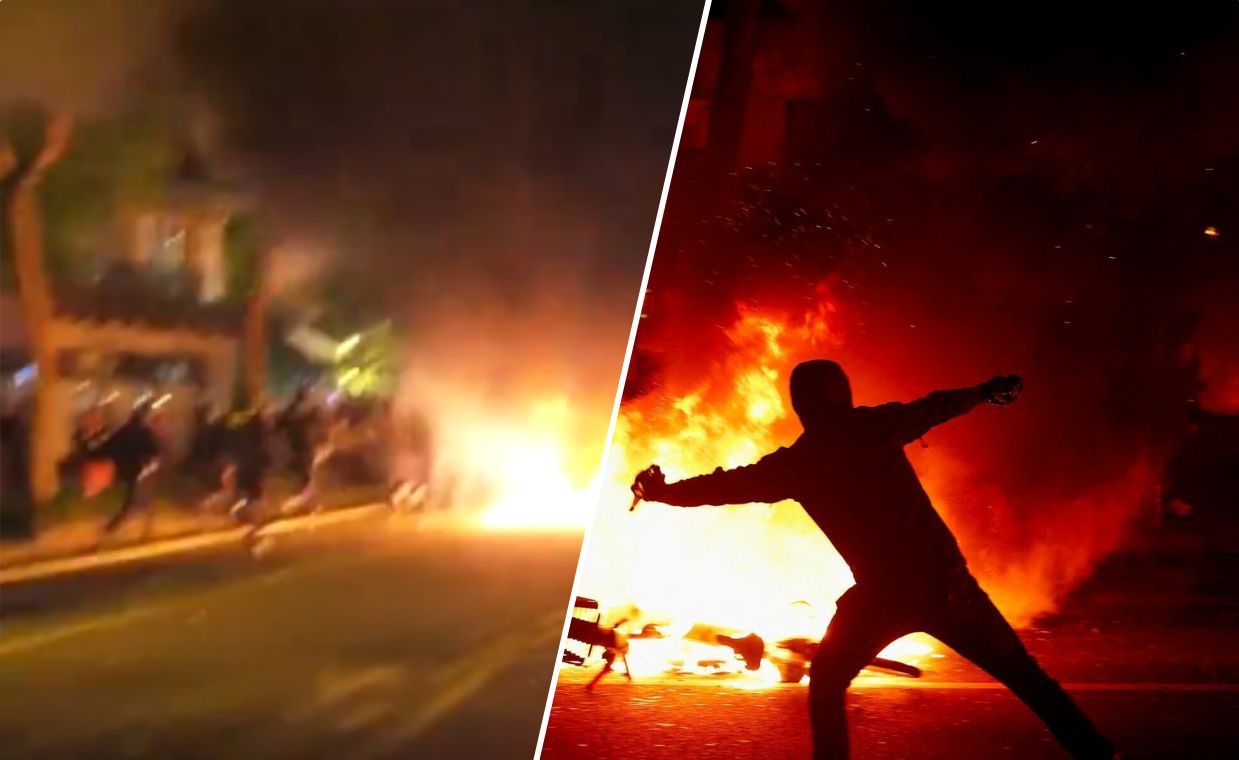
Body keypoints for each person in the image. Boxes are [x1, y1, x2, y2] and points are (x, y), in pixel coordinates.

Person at [631, 360, 1116, 760]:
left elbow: (725, 487)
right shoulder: (874, 427)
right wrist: (986, 390)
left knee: (825, 685)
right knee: (1025, 675)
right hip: (947, 585)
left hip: (883, 597)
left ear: (801, 405)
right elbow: (936, 407)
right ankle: (1097, 753)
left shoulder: (800, 463)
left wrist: (663, 492)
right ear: (842, 393)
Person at [98, 399, 162, 537]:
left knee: (139, 499)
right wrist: (152, 462)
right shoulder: (144, 432)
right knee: (136, 501)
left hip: (123, 469)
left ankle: (147, 528)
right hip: (138, 470)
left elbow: (107, 446)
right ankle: (111, 528)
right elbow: (153, 450)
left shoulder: (124, 430)